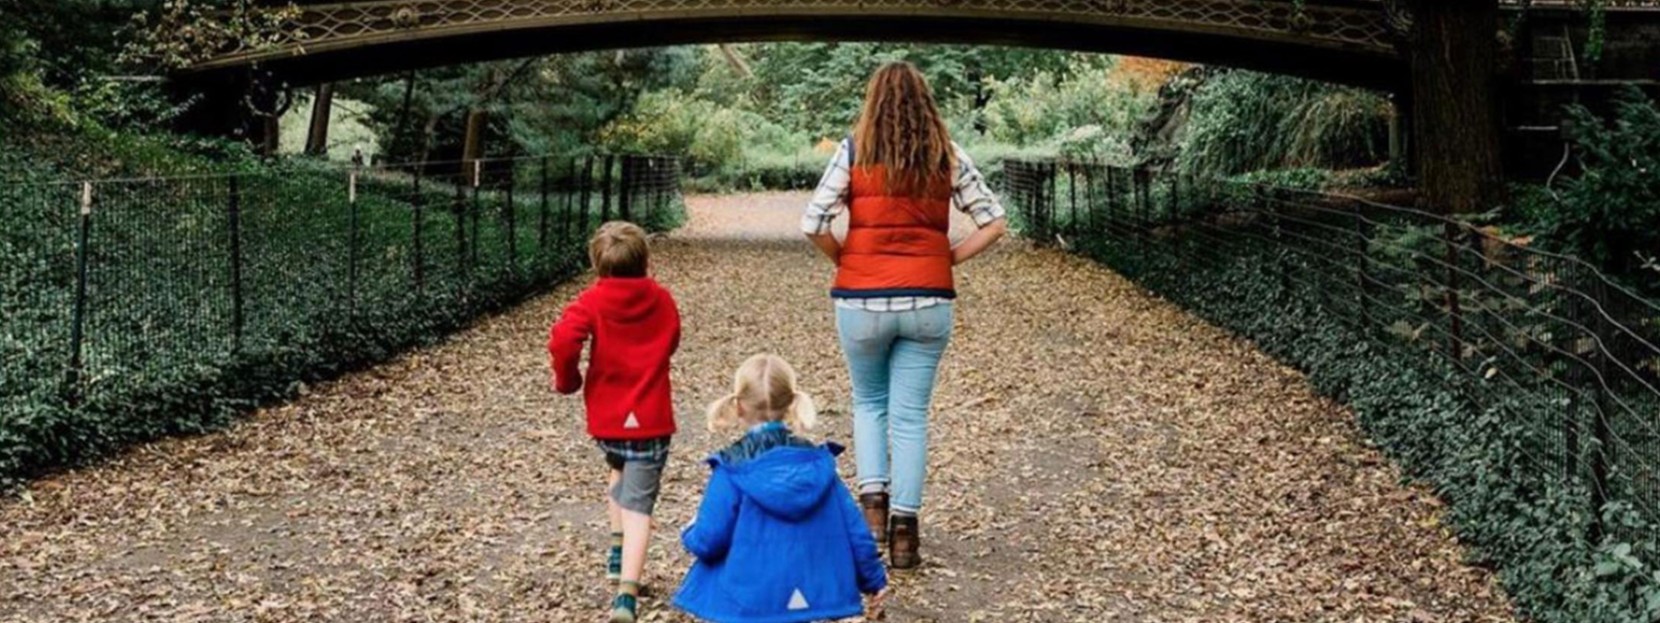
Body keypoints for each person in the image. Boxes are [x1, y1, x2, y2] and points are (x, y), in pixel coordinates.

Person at [801, 61, 1008, 569]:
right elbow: (995, 221)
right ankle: (906, 539)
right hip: (929, 302)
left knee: (869, 404)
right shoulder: (947, 153)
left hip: (861, 302)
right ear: (926, 105)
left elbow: (813, 222)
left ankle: (872, 518)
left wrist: (844, 258)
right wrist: (948, 257)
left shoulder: (853, 152)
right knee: (911, 417)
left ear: (872, 103)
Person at [674, 355, 888, 623]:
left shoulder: (732, 469)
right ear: (790, 405)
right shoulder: (818, 465)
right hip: (810, 590)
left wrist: (689, 531)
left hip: (747, 598)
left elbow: (708, 540)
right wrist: (873, 580)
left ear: (739, 406)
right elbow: (855, 530)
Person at [549, 221, 682, 623]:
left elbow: (562, 340)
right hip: (650, 420)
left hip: (607, 420)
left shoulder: (591, 301)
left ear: (597, 263)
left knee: (617, 472)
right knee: (639, 505)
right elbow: (672, 337)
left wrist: (568, 380)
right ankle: (626, 595)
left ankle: (616, 549)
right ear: (644, 259)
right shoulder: (661, 299)